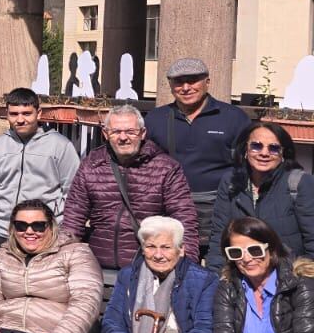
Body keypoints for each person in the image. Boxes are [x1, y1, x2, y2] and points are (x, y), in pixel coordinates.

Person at [58, 103, 198, 276]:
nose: (123, 137)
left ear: (142, 133)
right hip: (97, 265)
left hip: (148, 267)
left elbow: (184, 220)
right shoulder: (91, 165)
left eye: (130, 131)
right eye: (116, 132)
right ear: (105, 134)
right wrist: (61, 261)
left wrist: (188, 269)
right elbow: (73, 219)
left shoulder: (166, 168)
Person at [0, 200, 103, 333]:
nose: (29, 231)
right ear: (13, 229)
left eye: (38, 226)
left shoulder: (75, 253)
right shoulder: (2, 255)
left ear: (51, 226)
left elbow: (86, 301)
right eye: (21, 225)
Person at [145, 57, 252, 240]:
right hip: (170, 207)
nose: (186, 88)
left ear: (207, 82)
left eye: (193, 80)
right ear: (170, 85)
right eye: (179, 82)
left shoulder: (233, 117)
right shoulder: (155, 119)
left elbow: (249, 164)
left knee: (218, 263)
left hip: (220, 207)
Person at [0, 88, 81, 250]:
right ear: (7, 114)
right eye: (14, 114)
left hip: (41, 234)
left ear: (38, 113)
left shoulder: (60, 146)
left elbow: (74, 194)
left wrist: (62, 231)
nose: (20, 120)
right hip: (1, 232)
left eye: (26, 113)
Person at [211, 121, 314, 259]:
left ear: (283, 153)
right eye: (256, 146)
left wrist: (305, 277)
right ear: (245, 150)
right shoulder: (230, 181)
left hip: (288, 274)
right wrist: (216, 276)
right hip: (242, 269)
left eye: (273, 148)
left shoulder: (300, 183)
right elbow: (219, 235)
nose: (264, 153)